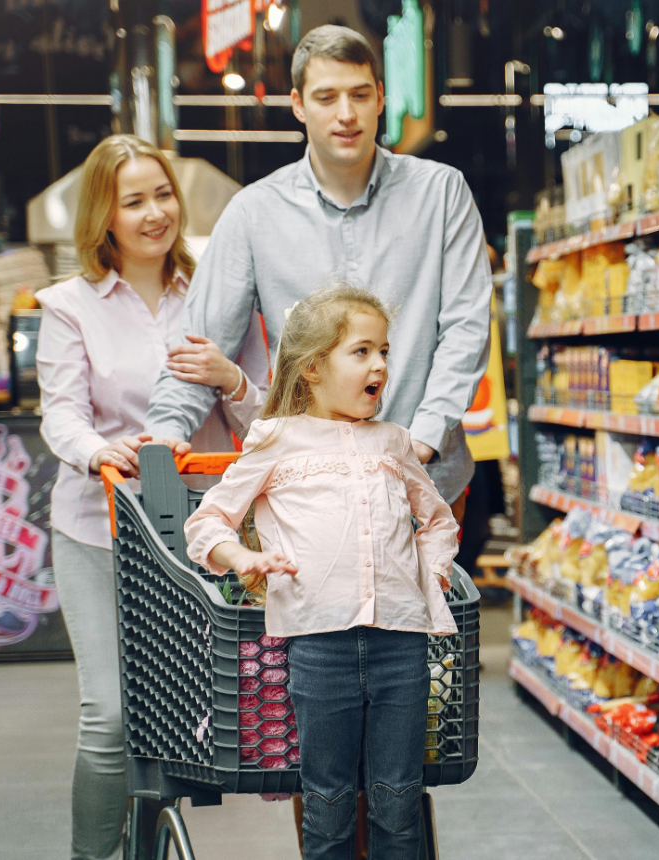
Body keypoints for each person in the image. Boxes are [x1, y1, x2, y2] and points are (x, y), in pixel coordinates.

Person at [141, 24, 492, 531]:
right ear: (299, 105)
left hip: (429, 485)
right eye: (326, 97)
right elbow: (198, 347)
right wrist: (161, 437)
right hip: (308, 495)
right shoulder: (253, 213)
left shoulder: (441, 194)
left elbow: (466, 328)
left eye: (359, 94)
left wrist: (421, 441)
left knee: (434, 610)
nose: (345, 114)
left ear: (380, 100)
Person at [36, 133, 269, 860]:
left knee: (183, 715)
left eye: (163, 194)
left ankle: (158, 838)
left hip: (198, 538)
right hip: (96, 533)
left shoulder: (217, 294)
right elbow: (60, 412)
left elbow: (268, 423)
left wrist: (231, 379)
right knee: (109, 715)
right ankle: (94, 854)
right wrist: (96, 449)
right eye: (132, 200)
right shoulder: (70, 304)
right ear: (103, 215)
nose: (154, 212)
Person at [184, 283, 459, 860]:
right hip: (318, 648)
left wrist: (431, 573)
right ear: (312, 368)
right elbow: (208, 522)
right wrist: (243, 558)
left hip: (402, 645)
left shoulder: (395, 442)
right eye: (360, 352)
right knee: (329, 806)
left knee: (398, 802)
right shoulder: (276, 439)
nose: (380, 364)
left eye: (383, 350)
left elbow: (436, 521)